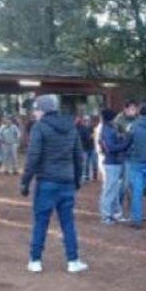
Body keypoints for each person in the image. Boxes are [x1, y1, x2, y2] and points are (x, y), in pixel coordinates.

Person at [21, 94, 88, 274]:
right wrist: (77, 180)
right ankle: (73, 261)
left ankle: (35, 260)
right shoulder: (71, 127)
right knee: (68, 222)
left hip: (46, 182)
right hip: (66, 181)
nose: (34, 113)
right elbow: (78, 157)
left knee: (41, 221)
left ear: (43, 110)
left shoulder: (39, 128)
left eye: (36, 109)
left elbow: (33, 158)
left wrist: (25, 182)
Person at [97, 108, 131, 224]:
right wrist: (126, 144)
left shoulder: (111, 128)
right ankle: (105, 215)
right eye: (114, 117)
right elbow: (111, 148)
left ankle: (116, 213)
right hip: (111, 163)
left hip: (116, 162)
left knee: (115, 189)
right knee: (110, 189)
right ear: (110, 118)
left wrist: (123, 139)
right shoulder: (107, 130)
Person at [77, 115, 97, 182]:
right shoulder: (81, 129)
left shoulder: (91, 127)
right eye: (85, 120)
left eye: (88, 120)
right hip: (85, 148)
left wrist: (92, 136)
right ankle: (86, 177)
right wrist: (91, 136)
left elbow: (94, 136)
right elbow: (88, 137)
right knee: (86, 164)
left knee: (94, 162)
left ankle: (94, 176)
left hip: (92, 147)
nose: (87, 122)